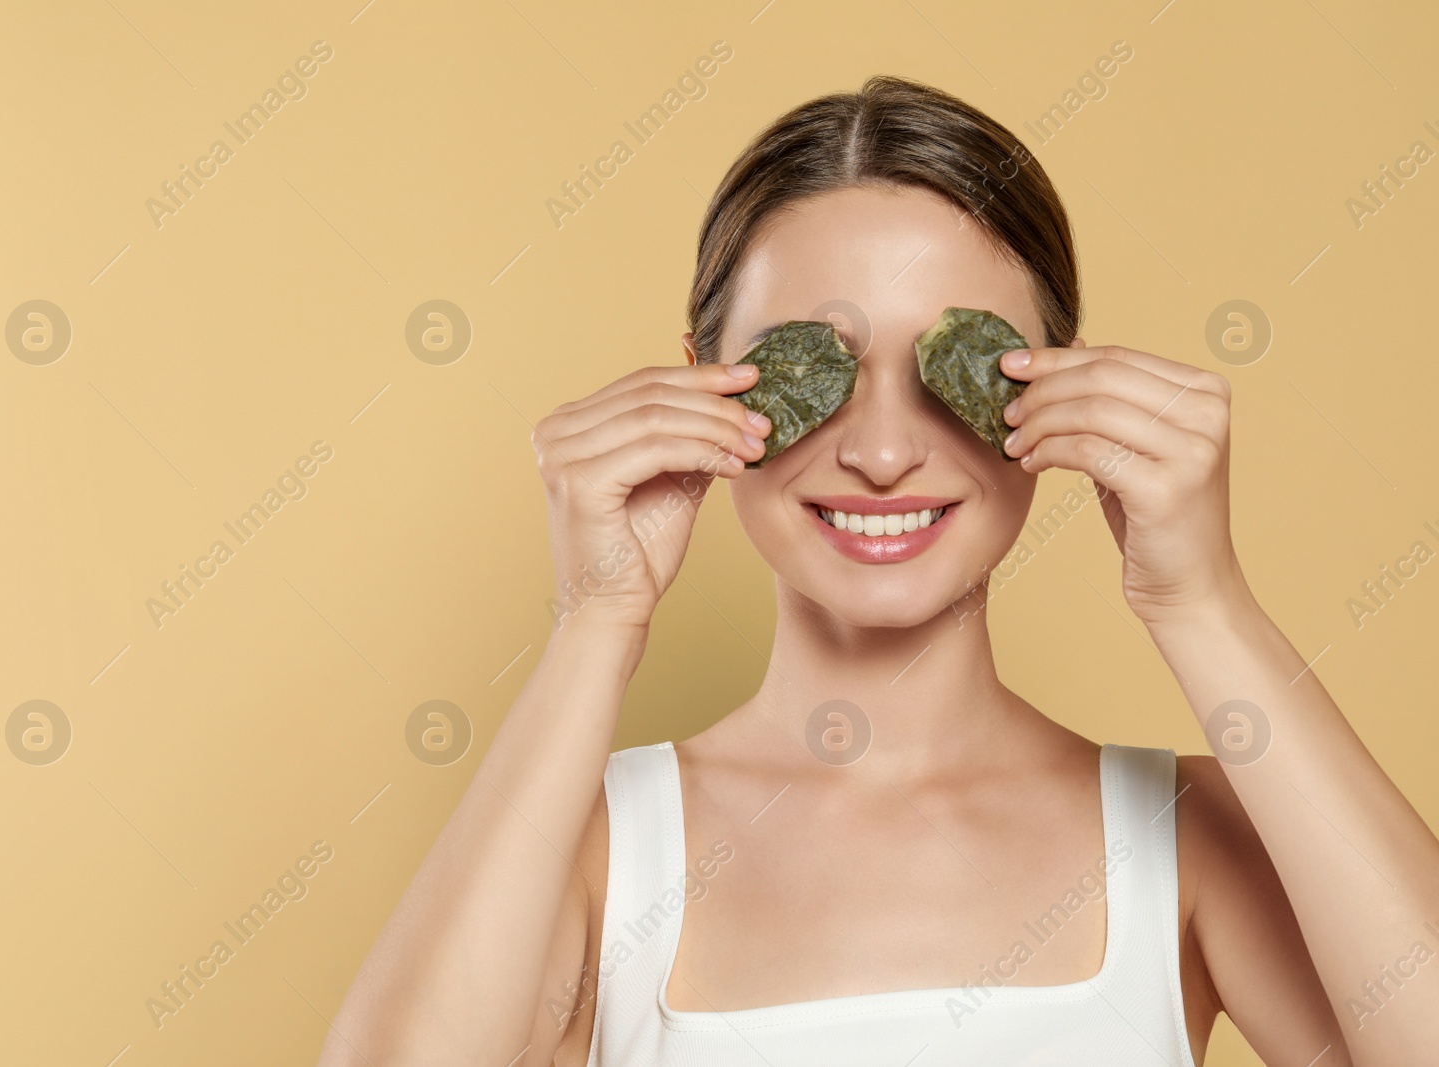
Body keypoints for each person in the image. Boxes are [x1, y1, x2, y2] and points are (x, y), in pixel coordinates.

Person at [320, 75, 1439, 1066]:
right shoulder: (591, 848)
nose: (883, 450)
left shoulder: (1193, 831)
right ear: (702, 391)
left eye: (952, 362)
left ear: (1059, 388)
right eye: (815, 362)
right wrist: (596, 618)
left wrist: (1203, 603)